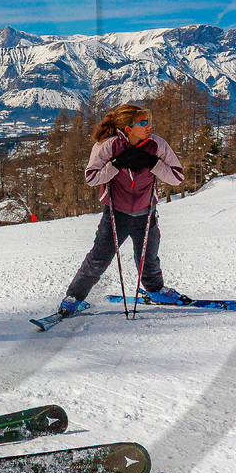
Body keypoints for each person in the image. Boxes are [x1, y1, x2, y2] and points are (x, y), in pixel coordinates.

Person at [56, 102, 187, 317]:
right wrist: (116, 164)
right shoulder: (108, 146)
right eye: (143, 123)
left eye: (149, 122)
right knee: (98, 259)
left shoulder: (156, 145)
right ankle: (74, 298)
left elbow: (177, 177)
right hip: (116, 214)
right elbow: (92, 178)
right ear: (128, 128)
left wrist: (152, 163)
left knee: (148, 258)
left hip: (146, 212)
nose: (148, 126)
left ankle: (155, 290)